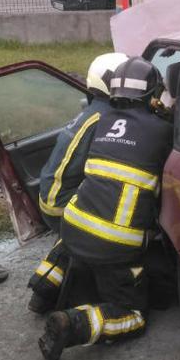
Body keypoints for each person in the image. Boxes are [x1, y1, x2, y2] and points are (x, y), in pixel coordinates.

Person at [36, 57, 173, 360]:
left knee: (76, 239)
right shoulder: (164, 131)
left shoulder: (103, 121)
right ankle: (73, 324)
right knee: (133, 315)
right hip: (115, 248)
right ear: (152, 96)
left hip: (72, 230)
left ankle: (43, 287)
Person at [29, 52, 127, 314]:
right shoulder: (109, 119)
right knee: (112, 216)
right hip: (62, 203)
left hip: (49, 196)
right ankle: (75, 289)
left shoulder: (94, 111)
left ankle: (43, 289)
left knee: (72, 236)